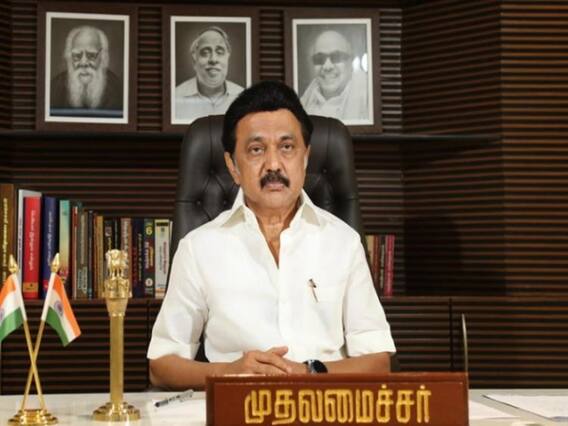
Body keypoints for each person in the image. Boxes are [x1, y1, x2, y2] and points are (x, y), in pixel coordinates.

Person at [148, 80, 395, 390]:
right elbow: (161, 365)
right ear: (232, 166)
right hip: (237, 406)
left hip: (323, 405)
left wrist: (308, 373)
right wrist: (230, 373)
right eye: (256, 150)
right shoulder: (198, 248)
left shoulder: (343, 242)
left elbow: (377, 361)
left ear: (305, 157)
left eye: (287, 147)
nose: (274, 164)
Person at [174, 26, 244, 123]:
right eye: (205, 53)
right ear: (194, 60)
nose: (213, 60)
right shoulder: (175, 98)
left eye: (220, 52)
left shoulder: (243, 98)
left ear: (227, 57)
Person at [50, 25, 122, 115]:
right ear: (69, 56)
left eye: (91, 55)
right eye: (77, 55)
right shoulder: (55, 88)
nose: (83, 62)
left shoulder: (118, 89)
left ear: (102, 56)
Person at [300, 29, 369, 121]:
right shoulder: (306, 99)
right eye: (319, 59)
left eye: (336, 57)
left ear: (351, 61)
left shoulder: (368, 98)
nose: (327, 66)